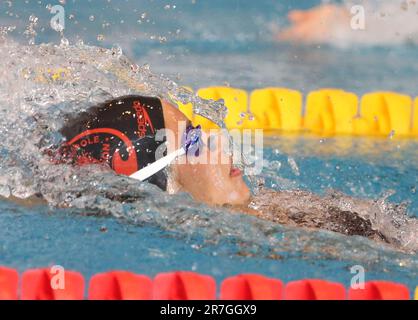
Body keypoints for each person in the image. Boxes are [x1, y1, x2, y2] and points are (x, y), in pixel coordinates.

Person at [54, 95, 417, 251]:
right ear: (159, 185)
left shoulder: (271, 210)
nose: (213, 138)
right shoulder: (229, 245)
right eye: (193, 140)